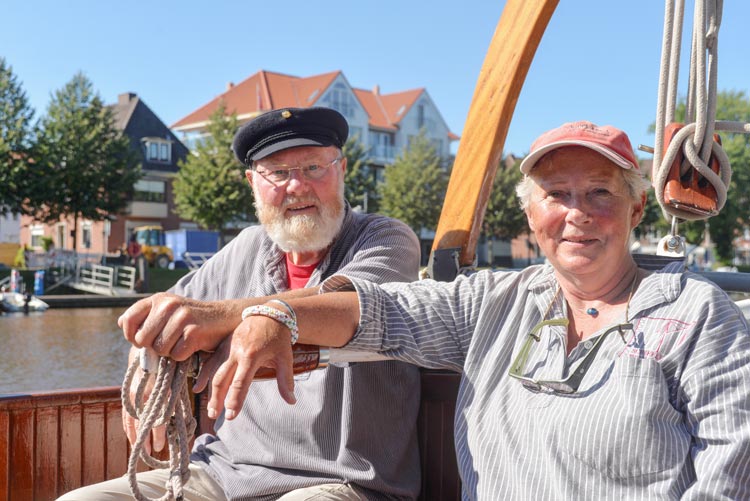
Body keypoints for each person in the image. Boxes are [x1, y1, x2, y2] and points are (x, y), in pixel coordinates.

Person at [211, 121, 750, 499]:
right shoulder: (495, 303)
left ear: (636, 208)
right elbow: (377, 311)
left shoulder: (700, 316)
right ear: (531, 213)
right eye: (556, 194)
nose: (576, 213)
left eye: (600, 193)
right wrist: (277, 313)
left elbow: (730, 472)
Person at [59, 108, 422, 500]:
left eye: (314, 167)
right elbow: (171, 311)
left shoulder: (386, 238)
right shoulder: (247, 246)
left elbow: (350, 304)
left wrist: (223, 317)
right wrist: (143, 355)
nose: (297, 186)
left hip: (343, 481)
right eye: (278, 173)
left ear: (342, 168)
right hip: (225, 472)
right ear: (253, 183)